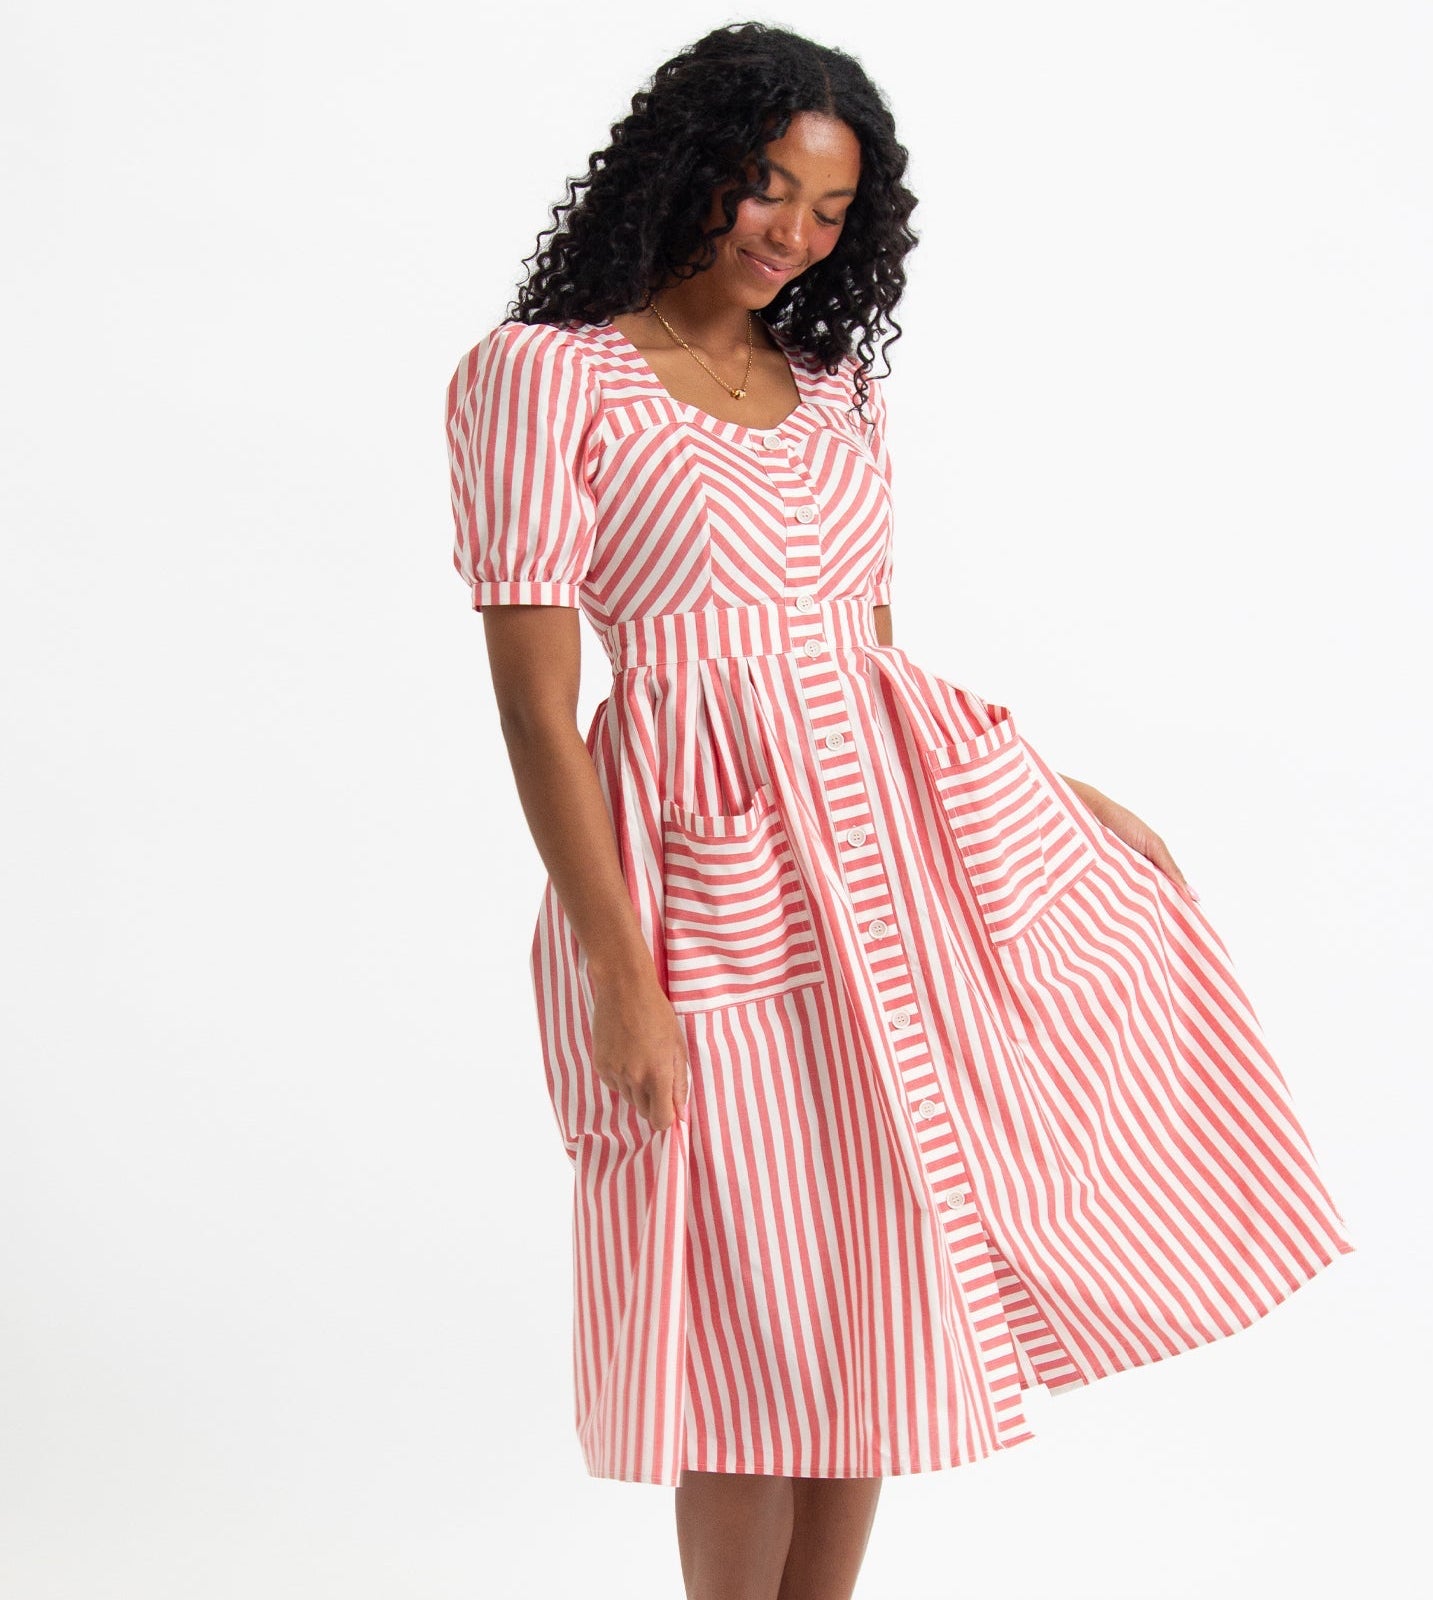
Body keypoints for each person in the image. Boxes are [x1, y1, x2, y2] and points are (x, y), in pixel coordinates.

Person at [445, 21, 1356, 1600]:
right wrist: (620, 973)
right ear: (687, 168)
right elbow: (534, 708)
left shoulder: (840, 390)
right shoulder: (543, 378)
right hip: (697, 883)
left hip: (885, 880)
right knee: (746, 1337)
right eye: (763, 186)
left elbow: (865, 664)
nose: (790, 232)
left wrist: (1046, 790)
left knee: (873, 1305)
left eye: (827, 209)